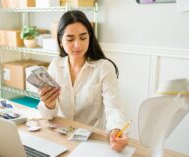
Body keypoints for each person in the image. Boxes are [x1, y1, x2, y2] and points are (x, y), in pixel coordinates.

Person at [37, 10, 128, 152]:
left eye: (83, 38)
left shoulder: (104, 67)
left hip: (92, 141)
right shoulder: (55, 65)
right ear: (61, 41)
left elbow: (114, 108)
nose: (77, 45)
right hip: (61, 137)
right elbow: (48, 116)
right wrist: (48, 105)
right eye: (70, 39)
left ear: (90, 38)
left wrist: (116, 130)